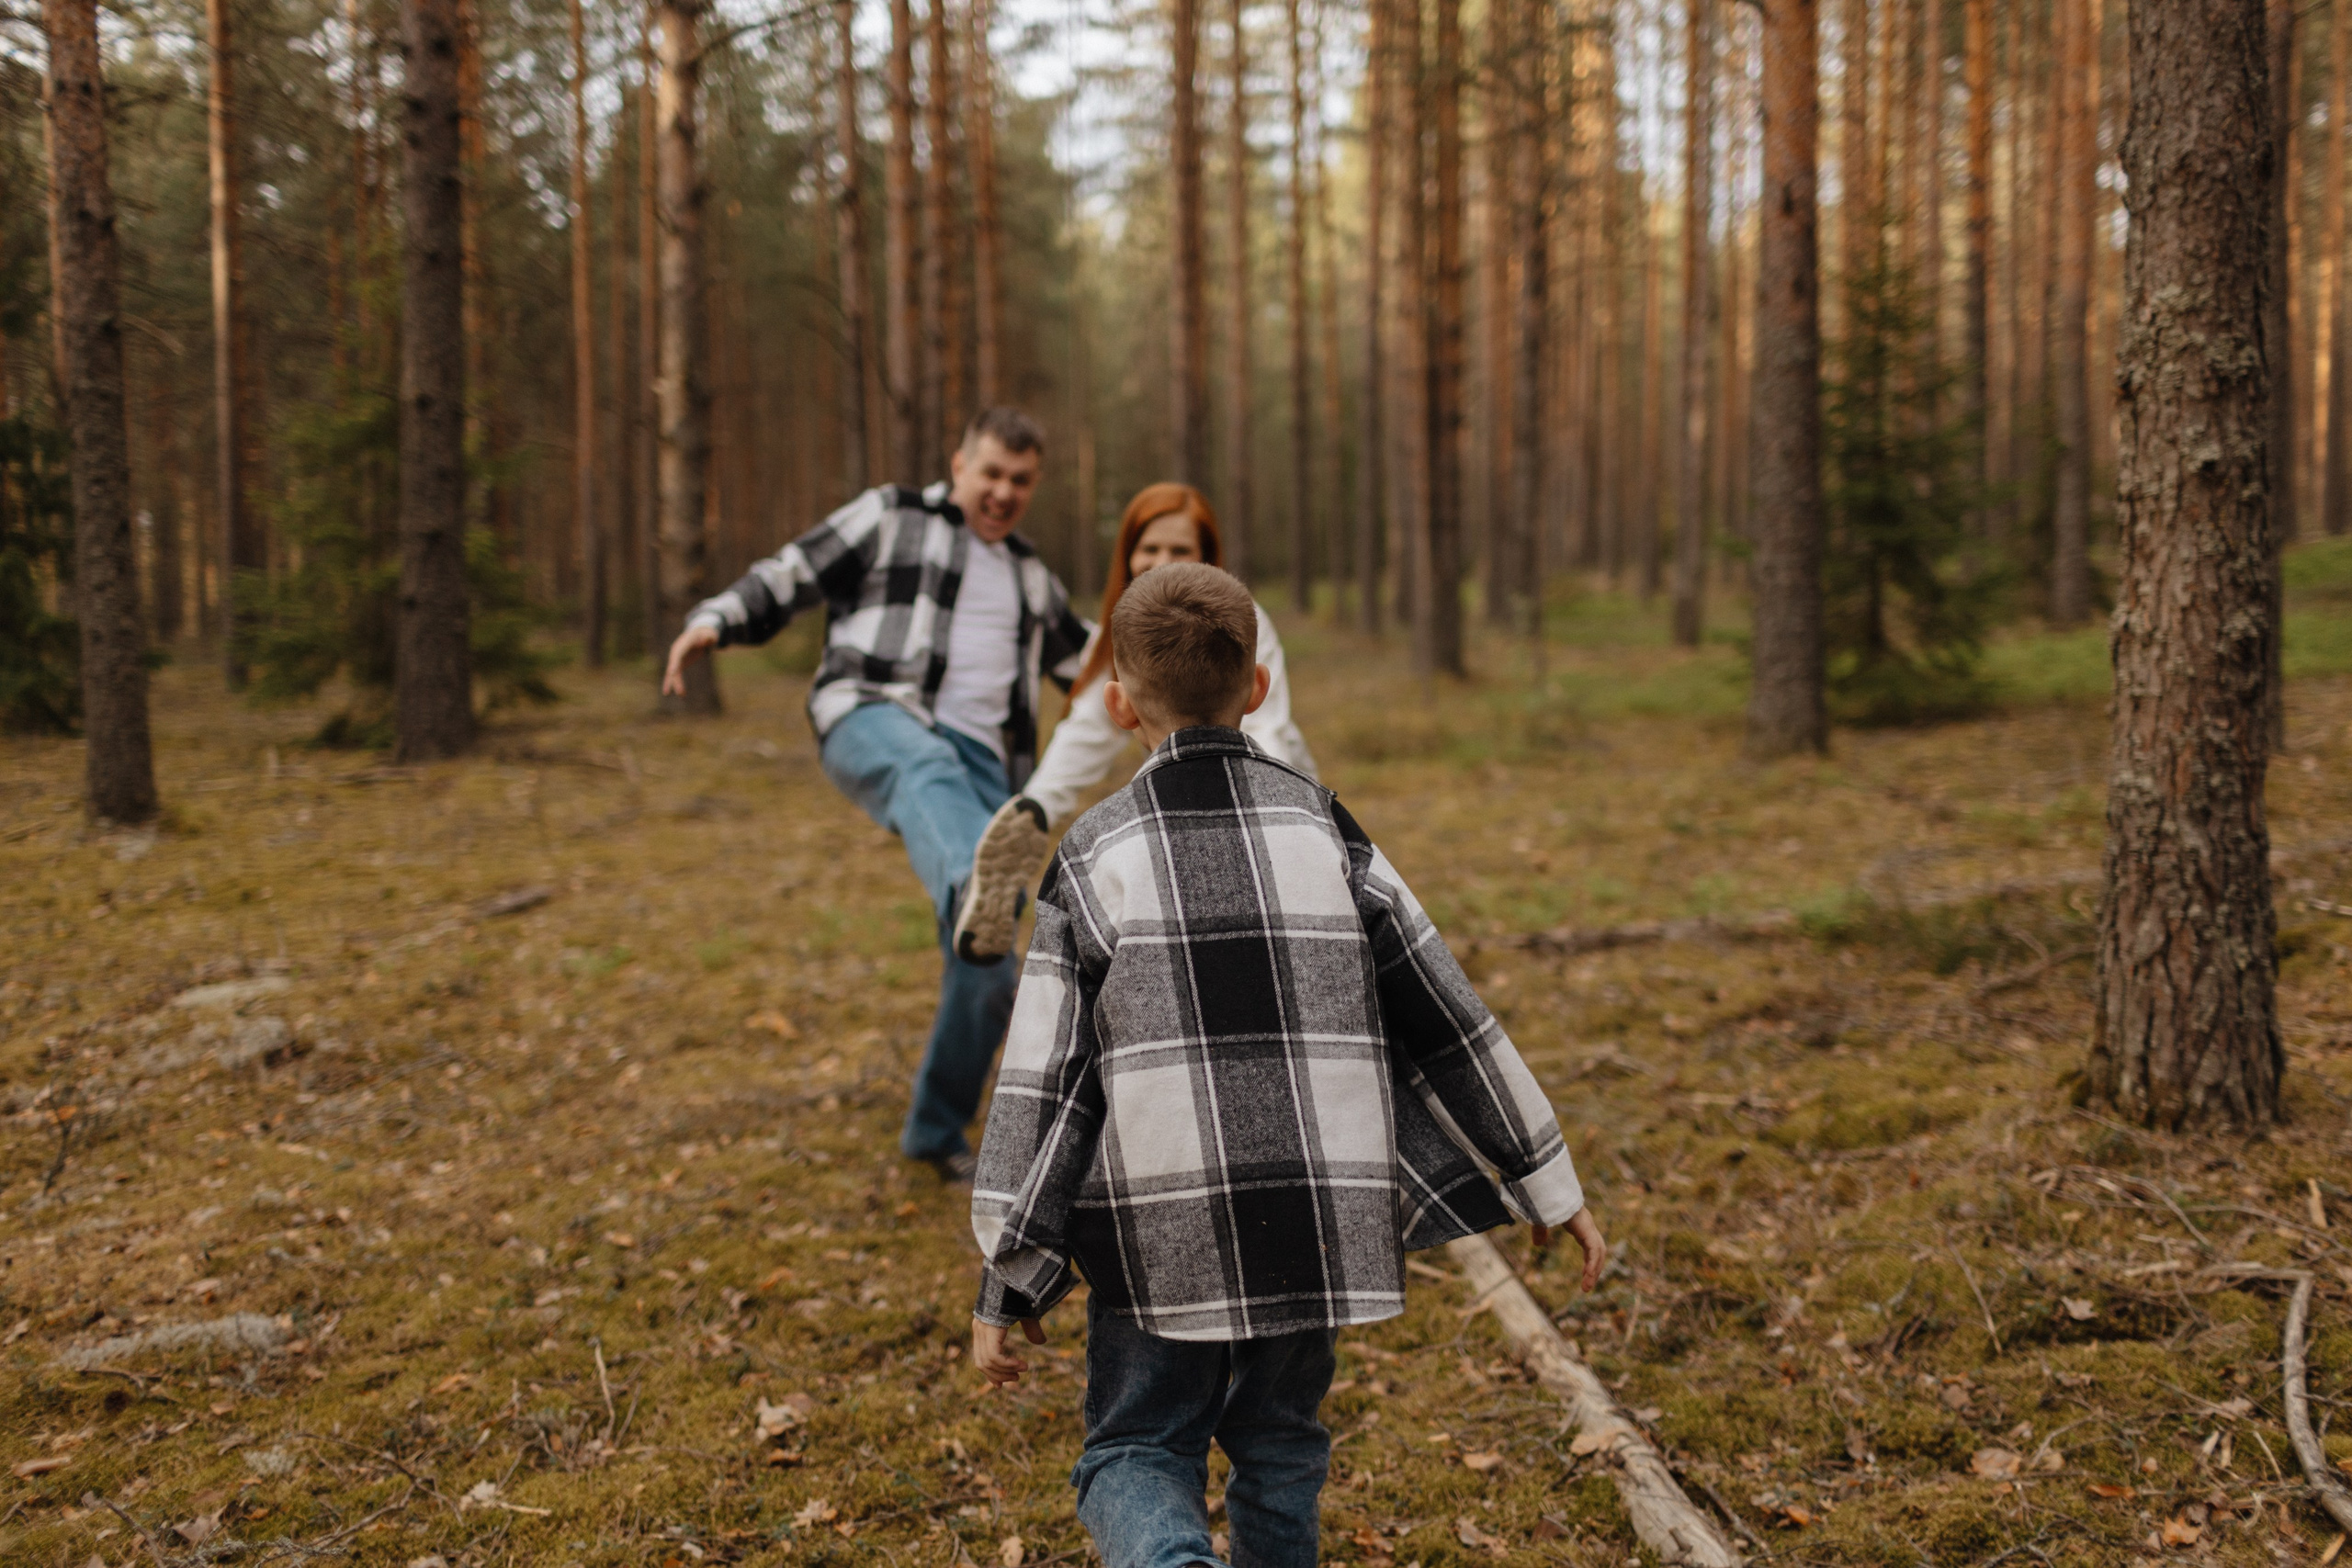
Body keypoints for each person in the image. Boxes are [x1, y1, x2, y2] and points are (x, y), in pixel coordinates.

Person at [965, 563, 1606, 1568]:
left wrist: (1010, 1270)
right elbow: (1445, 1011)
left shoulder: (1094, 853)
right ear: (1258, 686)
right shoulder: (1324, 826)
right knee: (1278, 1443)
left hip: (1158, 1232)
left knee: (1136, 1446)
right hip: (1316, 1219)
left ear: (1119, 702)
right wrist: (1543, 1177)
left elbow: (1045, 1086)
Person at [662, 408, 1092, 1183]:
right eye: (990, 473)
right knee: (934, 791)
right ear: (957, 463)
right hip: (873, 712)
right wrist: (715, 621)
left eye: (1020, 481)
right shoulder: (892, 515)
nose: (1003, 492)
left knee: (989, 971)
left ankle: (933, 1130)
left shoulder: (1032, 578)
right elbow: (794, 570)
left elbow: (1093, 671)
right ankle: (976, 884)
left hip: (984, 768)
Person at [951, 482, 1317, 968]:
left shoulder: (1243, 622)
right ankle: (1030, 818)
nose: (1162, 559)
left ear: (1208, 558)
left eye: (1180, 549)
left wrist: (1283, 816)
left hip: (1274, 791)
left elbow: (1269, 726)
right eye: (1149, 548)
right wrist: (1037, 806)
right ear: (1127, 556)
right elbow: (1089, 728)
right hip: (1181, 794)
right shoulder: (1119, 635)